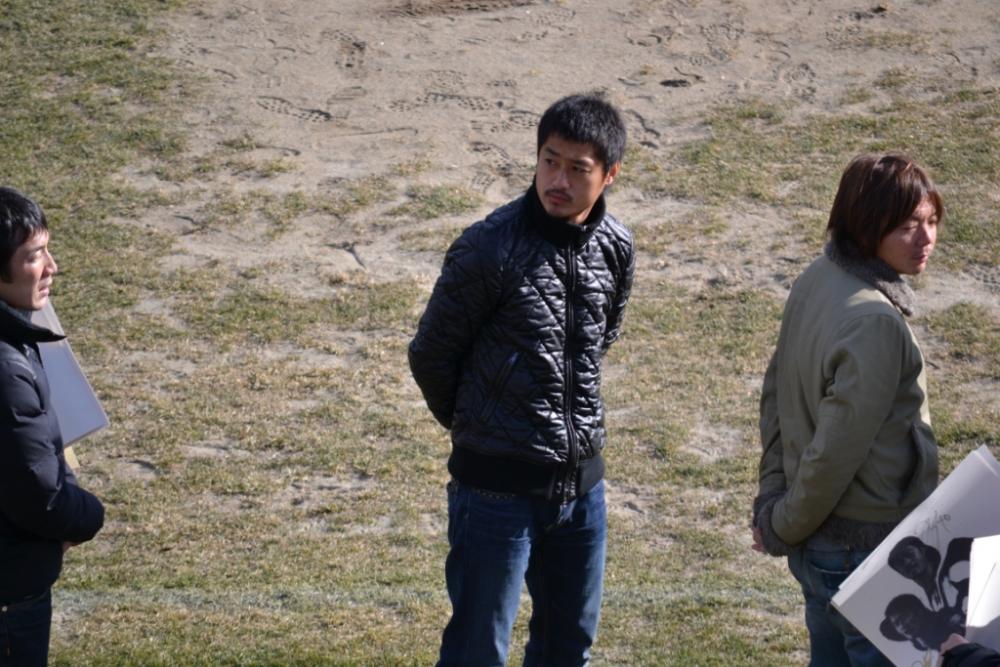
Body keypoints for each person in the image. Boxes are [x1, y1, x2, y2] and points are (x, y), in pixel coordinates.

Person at [409, 94, 634, 666]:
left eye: (577, 168)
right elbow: (432, 355)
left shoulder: (616, 246)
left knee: (569, 648)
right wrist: (482, 425)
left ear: (609, 174)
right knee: (477, 653)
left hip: (581, 492)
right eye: (549, 161)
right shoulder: (488, 248)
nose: (558, 180)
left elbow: (598, 341)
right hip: (494, 494)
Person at [751, 153, 943, 666]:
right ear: (867, 225)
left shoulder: (819, 276)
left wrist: (775, 501)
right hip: (864, 550)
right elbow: (834, 453)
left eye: (931, 221)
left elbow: (775, 397)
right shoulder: (874, 322)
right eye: (908, 226)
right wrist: (782, 524)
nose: (926, 238)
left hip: (820, 547)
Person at [0, 187, 105, 665]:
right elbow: (37, 494)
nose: (51, 267)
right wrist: (87, 515)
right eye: (33, 256)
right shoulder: (6, 370)